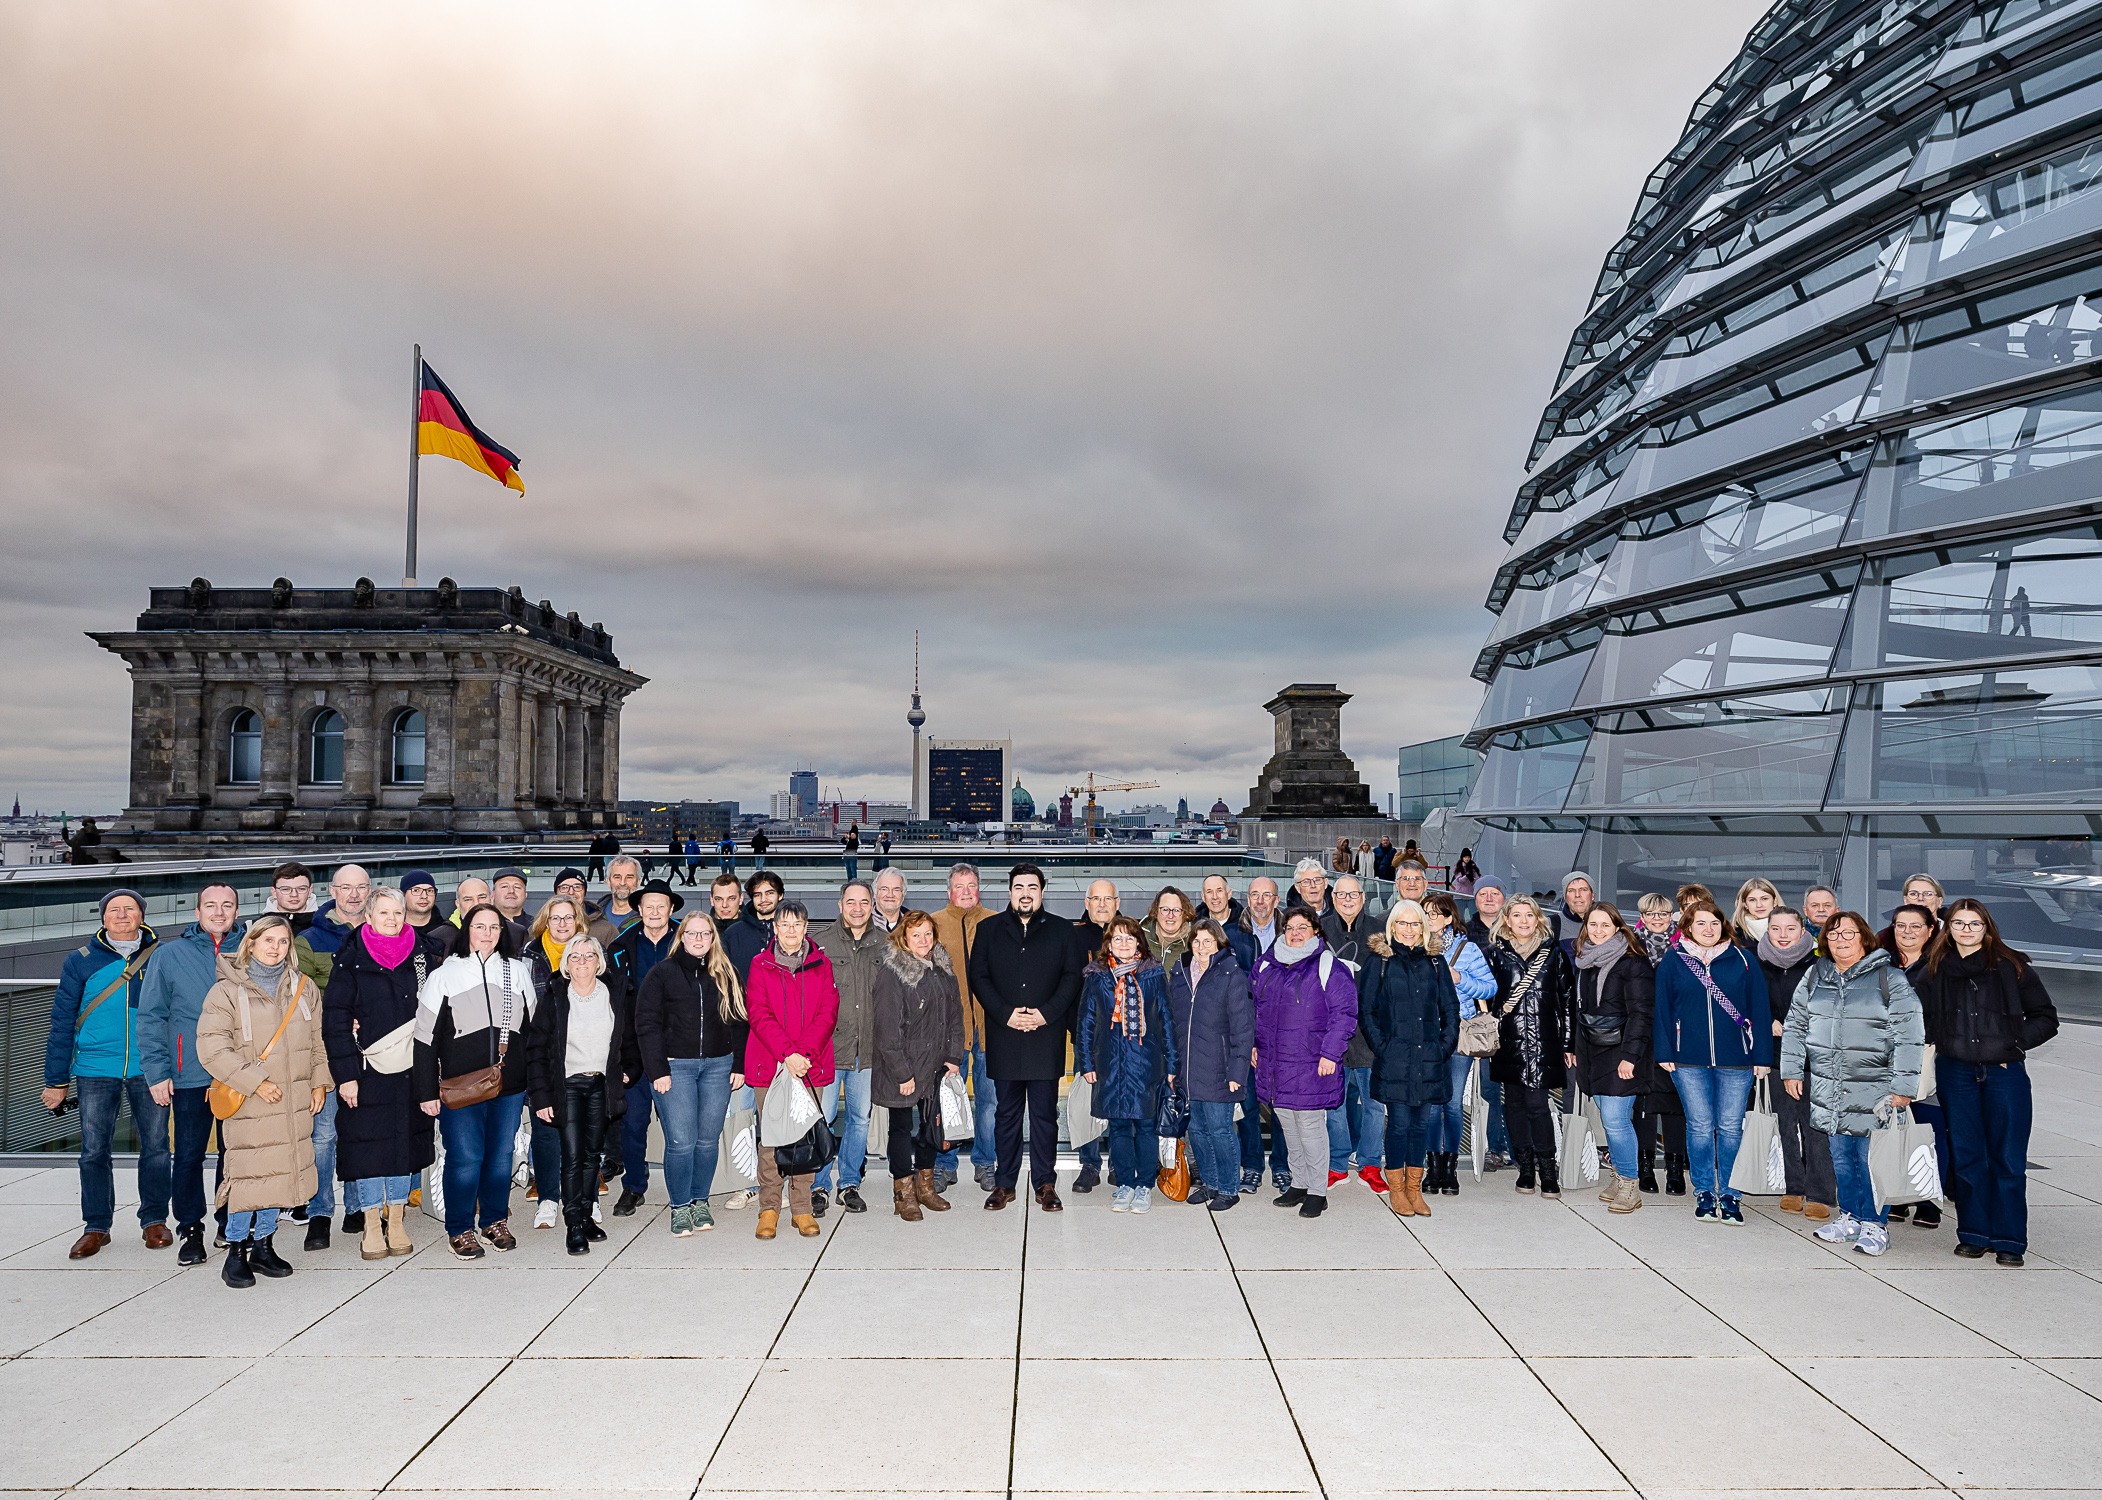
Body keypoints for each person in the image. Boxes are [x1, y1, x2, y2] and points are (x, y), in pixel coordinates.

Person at [1917, 899, 2059, 1266]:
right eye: (1959, 923)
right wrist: (1941, 1037)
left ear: (1987, 927)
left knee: (2008, 1158)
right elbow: (1916, 1016)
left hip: (2004, 1073)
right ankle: (1974, 1234)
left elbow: (2046, 1017)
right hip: (1956, 1072)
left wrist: (2015, 1043)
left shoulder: (2013, 967)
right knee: (1967, 1156)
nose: (1966, 930)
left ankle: (2009, 1240)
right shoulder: (1934, 969)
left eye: (1974, 924)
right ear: (1948, 929)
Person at [196, 914, 330, 1288]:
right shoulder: (226, 992)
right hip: (251, 1101)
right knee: (250, 1175)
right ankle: (236, 1250)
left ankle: (264, 1246)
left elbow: (317, 1041)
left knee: (282, 1173)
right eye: (268, 940)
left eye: (283, 941)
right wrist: (256, 1083)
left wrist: (320, 1082)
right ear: (251, 943)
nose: (276, 947)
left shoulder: (304, 987)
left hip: (294, 1098)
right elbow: (212, 1048)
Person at [1782, 911, 1922, 1257]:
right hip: (1828, 1085)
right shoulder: (1816, 976)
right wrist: (1791, 1069)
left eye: (1848, 933)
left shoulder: (1889, 978)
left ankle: (1876, 1224)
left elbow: (1909, 1035)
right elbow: (1796, 1024)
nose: (1840, 940)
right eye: (1833, 934)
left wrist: (1904, 1086)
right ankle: (1851, 1217)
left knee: (1869, 1159)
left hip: (1876, 1087)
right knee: (1841, 1158)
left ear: (1864, 938)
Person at [43, 888, 167, 1260]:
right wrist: (56, 1080)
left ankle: (154, 1220)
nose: (122, 915)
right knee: (94, 1150)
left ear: (142, 915)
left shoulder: (162, 955)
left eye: (130, 908)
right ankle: (96, 1226)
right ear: (103, 917)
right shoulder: (80, 960)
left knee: (157, 1148)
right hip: (95, 1068)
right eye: (114, 909)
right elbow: (62, 1021)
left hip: (150, 1066)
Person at [415, 904, 538, 1260]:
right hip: (459, 1086)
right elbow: (424, 1039)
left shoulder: (516, 971)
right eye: (479, 926)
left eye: (494, 927)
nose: (487, 933)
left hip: (508, 1085)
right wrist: (426, 1091)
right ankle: (460, 1228)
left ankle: (495, 1220)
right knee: (465, 1158)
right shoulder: (444, 975)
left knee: (500, 1157)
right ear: (466, 930)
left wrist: (533, 1080)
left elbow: (533, 1032)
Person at [321, 888, 434, 1261]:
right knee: (368, 1148)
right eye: (384, 912)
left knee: (403, 1144)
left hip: (411, 1068)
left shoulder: (423, 955)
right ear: (368, 917)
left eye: (397, 912)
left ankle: (396, 1219)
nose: (392, 919)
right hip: (366, 1070)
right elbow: (335, 1021)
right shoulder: (350, 959)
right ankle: (372, 1223)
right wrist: (346, 1075)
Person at [139, 882, 242, 1266]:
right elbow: (151, 1016)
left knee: (236, 1155)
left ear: (236, 912)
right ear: (197, 912)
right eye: (211, 905)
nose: (219, 912)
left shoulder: (250, 950)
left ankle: (230, 1223)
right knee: (188, 1155)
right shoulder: (169, 955)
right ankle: (191, 1228)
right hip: (189, 1073)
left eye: (227, 905)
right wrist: (156, 1071)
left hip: (239, 1073)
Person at [969, 863, 1082, 1211]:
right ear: (1010, 892)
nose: (1026, 893)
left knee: (1046, 1116)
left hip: (1045, 1036)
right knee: (1006, 1115)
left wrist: (1045, 1013)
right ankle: (1004, 1184)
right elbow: (979, 977)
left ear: (1042, 891)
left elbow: (1072, 977)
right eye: (1019, 887)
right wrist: (1006, 1014)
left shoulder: (1063, 930)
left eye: (1032, 887)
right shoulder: (988, 929)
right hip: (1005, 1036)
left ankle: (1045, 1183)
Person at [1655, 898, 1771, 1225]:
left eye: (1714, 923)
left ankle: (1731, 1193)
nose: (1708, 929)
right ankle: (1705, 1190)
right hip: (1687, 1059)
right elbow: (1662, 1008)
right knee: (1700, 1126)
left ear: (1724, 926)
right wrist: (1665, 1051)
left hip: (1737, 1059)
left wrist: (1762, 1056)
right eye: (1701, 923)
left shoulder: (1743, 960)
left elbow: (1760, 1009)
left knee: (1731, 1128)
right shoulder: (1674, 960)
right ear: (1688, 927)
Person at [634, 911, 746, 1237]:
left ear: (713, 938)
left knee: (708, 1141)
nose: (699, 939)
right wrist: (657, 1069)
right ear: (681, 937)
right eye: (692, 933)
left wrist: (738, 1064)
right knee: (682, 1141)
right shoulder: (662, 974)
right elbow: (647, 1024)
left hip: (718, 1066)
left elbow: (740, 1021)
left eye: (705, 933)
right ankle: (680, 1206)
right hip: (675, 1068)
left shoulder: (726, 973)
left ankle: (700, 1201)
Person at [1251, 908, 1357, 1218]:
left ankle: (1318, 1191)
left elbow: (1344, 1014)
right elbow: (1255, 1009)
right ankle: (1299, 1183)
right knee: (1288, 1124)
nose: (1295, 933)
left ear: (1316, 932)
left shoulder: (1328, 966)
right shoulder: (1267, 964)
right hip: (1275, 1062)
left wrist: (1331, 1053)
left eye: (1303, 927)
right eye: (1290, 927)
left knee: (1310, 1127)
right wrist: (1253, 1045)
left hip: (1312, 1061)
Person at [744, 901, 840, 1239]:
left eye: (797, 924)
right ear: (775, 927)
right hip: (770, 1063)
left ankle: (801, 1208)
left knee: (804, 1137)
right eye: (784, 924)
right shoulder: (760, 964)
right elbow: (758, 1012)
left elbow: (828, 1012)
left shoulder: (821, 964)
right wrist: (787, 1054)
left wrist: (803, 1055)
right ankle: (769, 1207)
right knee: (771, 1139)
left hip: (810, 1065)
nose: (790, 930)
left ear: (805, 927)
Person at [527, 933, 627, 1254]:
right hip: (567, 1086)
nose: (582, 961)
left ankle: (585, 1215)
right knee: (571, 1157)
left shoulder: (614, 993)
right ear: (566, 964)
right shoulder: (556, 997)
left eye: (589, 955)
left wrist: (627, 1070)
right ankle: (573, 1224)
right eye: (575, 956)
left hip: (601, 1085)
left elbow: (629, 1038)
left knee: (591, 1156)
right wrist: (541, 1097)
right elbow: (536, 1050)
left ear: (599, 962)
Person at [1359, 900, 1458, 1217]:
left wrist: (1444, 1046)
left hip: (1429, 1057)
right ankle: (1397, 1189)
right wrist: (1383, 1046)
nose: (1409, 929)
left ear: (1423, 927)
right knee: (1399, 1124)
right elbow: (1367, 1011)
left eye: (1415, 923)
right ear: (1392, 926)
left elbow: (1450, 1009)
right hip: (1395, 1058)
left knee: (1421, 1124)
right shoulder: (1380, 961)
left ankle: (1415, 1189)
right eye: (1402, 923)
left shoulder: (1435, 962)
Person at [1077, 916, 1180, 1214]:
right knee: (1119, 1127)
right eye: (1117, 938)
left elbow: (1166, 1021)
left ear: (1139, 943)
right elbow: (1086, 1023)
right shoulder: (1097, 977)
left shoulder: (1153, 975)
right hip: (1110, 1065)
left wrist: (1173, 1064)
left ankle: (1144, 1185)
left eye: (1129, 938)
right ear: (1108, 944)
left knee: (1146, 1127)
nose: (1123, 943)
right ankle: (1124, 1184)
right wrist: (1086, 1063)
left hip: (1146, 1064)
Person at [871, 910, 965, 1220]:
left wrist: (953, 1057)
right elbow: (887, 1030)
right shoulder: (892, 973)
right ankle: (904, 1194)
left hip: (936, 1066)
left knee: (930, 1126)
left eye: (928, 934)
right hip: (903, 1067)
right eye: (916, 935)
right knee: (901, 1129)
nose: (923, 941)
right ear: (904, 938)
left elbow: (955, 1016)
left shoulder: (943, 969)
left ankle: (925, 1187)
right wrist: (903, 1073)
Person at [1487, 895, 1575, 1197]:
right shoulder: (1495, 954)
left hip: (1544, 1042)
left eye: (1529, 915)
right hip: (1508, 1042)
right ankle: (1525, 1168)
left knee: (1538, 1105)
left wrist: (1568, 1043)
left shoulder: (1554, 954)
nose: (1523, 921)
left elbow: (1567, 1000)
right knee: (1513, 1105)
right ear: (1507, 920)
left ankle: (1547, 1169)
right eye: (1517, 915)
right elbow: (1486, 997)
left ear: (1538, 919)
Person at [1569, 903, 1655, 1215]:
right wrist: (1573, 1047)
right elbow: (1579, 1009)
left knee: (1616, 1120)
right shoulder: (1585, 960)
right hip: (1593, 1051)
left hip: (1622, 1051)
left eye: (1605, 925)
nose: (1599, 930)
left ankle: (1630, 1184)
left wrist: (1630, 1057)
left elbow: (1642, 1013)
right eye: (1593, 924)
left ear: (1618, 927)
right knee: (1608, 1119)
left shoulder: (1633, 962)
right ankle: (1619, 1177)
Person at [1167, 919, 1254, 1210]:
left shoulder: (1231, 975)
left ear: (1219, 944)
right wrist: (1172, 1067)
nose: (1201, 947)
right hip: (1188, 1071)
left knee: (1220, 1131)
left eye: (1208, 941)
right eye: (1197, 941)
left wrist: (1237, 1071)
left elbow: (1243, 1029)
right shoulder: (1180, 973)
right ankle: (1210, 1183)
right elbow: (1172, 1025)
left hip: (1220, 1070)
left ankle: (1229, 1188)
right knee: (1197, 1132)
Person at [607, 880, 681, 1214]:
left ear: (671, 909)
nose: (654, 911)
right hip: (633, 1049)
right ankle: (634, 1186)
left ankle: (682, 1189)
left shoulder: (687, 940)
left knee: (677, 1127)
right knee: (634, 1123)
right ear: (639, 909)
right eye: (648, 906)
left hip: (676, 1049)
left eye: (660, 906)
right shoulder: (621, 946)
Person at [1757, 905, 1833, 1221]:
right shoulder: (1755, 964)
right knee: (1785, 1124)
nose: (1783, 935)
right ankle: (1794, 1187)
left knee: (1816, 1127)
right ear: (1767, 931)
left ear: (1803, 931)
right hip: (1775, 1057)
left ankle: (1820, 1193)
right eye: (1776, 928)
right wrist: (1766, 1021)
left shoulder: (1820, 965)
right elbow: (1743, 1006)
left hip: (1814, 1058)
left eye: (1790, 928)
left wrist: (1799, 1026)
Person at [814, 880, 884, 1215]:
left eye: (864, 902)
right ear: (840, 905)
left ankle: (849, 1183)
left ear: (872, 906)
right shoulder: (820, 944)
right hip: (828, 1051)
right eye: (851, 902)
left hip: (866, 1051)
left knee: (859, 1119)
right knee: (823, 1118)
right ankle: (818, 1185)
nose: (858, 908)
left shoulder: (886, 944)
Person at [525, 896, 592, 1229]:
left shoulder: (591, 954)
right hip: (544, 1055)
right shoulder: (528, 956)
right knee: (546, 1131)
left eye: (569, 917)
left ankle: (585, 1199)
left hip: (583, 1055)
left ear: (578, 921)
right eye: (555, 918)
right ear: (545, 922)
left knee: (584, 1132)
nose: (562, 923)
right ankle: (548, 1198)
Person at [1423, 892, 1495, 1195]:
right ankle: (1432, 1166)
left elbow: (1489, 988)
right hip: (1423, 1036)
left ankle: (1450, 1168)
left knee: (1451, 1104)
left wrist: (1460, 978)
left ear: (1449, 918)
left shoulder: (1468, 949)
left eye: (1435, 913)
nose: (1429, 918)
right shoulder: (1413, 946)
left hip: (1458, 1035)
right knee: (1429, 1105)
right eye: (1425, 912)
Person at [1881, 902, 1948, 1230]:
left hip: (1926, 1058)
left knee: (1928, 1129)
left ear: (1930, 930)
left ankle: (1929, 1200)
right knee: (1892, 1129)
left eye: (1915, 926)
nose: (1907, 932)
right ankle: (1898, 1194)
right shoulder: (1881, 963)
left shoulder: (1940, 967)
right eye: (1901, 925)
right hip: (1884, 1058)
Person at [934, 863, 998, 1191]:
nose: (966, 892)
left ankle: (985, 1163)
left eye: (971, 885)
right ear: (949, 892)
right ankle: (944, 1164)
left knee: (989, 1103)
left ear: (979, 889)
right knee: (946, 1102)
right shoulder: (933, 925)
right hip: (949, 1032)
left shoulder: (996, 922)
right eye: (959, 886)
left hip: (989, 1030)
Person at [1321, 875, 1383, 1192]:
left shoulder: (1379, 931)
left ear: (1363, 897)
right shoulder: (1319, 930)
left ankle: (1370, 1164)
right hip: (1331, 1034)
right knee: (1334, 1105)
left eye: (1353, 894)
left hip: (1371, 1034)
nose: (1347, 899)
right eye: (1341, 894)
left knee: (1374, 1105)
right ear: (1333, 898)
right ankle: (1337, 1164)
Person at [1067, 879, 1120, 1192]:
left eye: (1107, 899)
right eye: (1096, 899)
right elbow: (1067, 987)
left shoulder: (1129, 934)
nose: (1102, 904)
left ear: (1117, 902)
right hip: (1086, 1038)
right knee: (1086, 1100)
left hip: (1125, 1039)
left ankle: (1118, 1162)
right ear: (1086, 903)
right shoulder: (1073, 937)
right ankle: (1089, 1165)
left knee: (1121, 1099)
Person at [725, 871, 783, 981]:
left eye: (769, 893)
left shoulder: (792, 931)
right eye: (757, 894)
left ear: (780, 895)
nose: (763, 899)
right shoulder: (733, 933)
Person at [1198, 875, 1256, 966]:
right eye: (1209, 892)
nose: (1215, 896)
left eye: (1219, 890)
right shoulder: (1194, 926)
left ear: (1229, 894)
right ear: (1203, 897)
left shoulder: (1247, 925)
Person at [591, 855, 644, 946]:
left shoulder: (647, 918)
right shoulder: (593, 916)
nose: (623, 883)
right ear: (608, 881)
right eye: (617, 877)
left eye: (629, 877)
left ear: (638, 882)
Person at [401, 871, 447, 956]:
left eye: (429, 890)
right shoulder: (393, 931)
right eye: (416, 890)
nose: (424, 896)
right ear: (403, 895)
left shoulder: (447, 932)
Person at [1732, 878, 1780, 949]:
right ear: (1745, 904)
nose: (1759, 905)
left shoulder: (1793, 929)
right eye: (1752, 900)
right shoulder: (1734, 937)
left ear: (1775, 901)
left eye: (1764, 899)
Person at [268, 863, 316, 934]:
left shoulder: (326, 926)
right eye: (286, 889)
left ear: (310, 891)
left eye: (301, 889)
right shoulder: (255, 927)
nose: (294, 895)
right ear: (274, 892)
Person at [490, 868, 533, 946]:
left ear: (525, 894)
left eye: (517, 887)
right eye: (504, 886)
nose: (511, 891)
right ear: (493, 894)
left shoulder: (537, 926)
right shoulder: (484, 925)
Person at [1241, 876, 1282, 954]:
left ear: (1276, 901)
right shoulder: (1230, 934)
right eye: (1255, 894)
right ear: (1248, 900)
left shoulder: (1290, 933)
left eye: (1266, 895)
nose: (1260, 901)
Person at [1557, 872, 1596, 949]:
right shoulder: (1551, 924)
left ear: (1592, 895)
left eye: (1583, 890)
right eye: (1571, 890)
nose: (1577, 895)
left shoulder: (1609, 922)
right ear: (1565, 897)